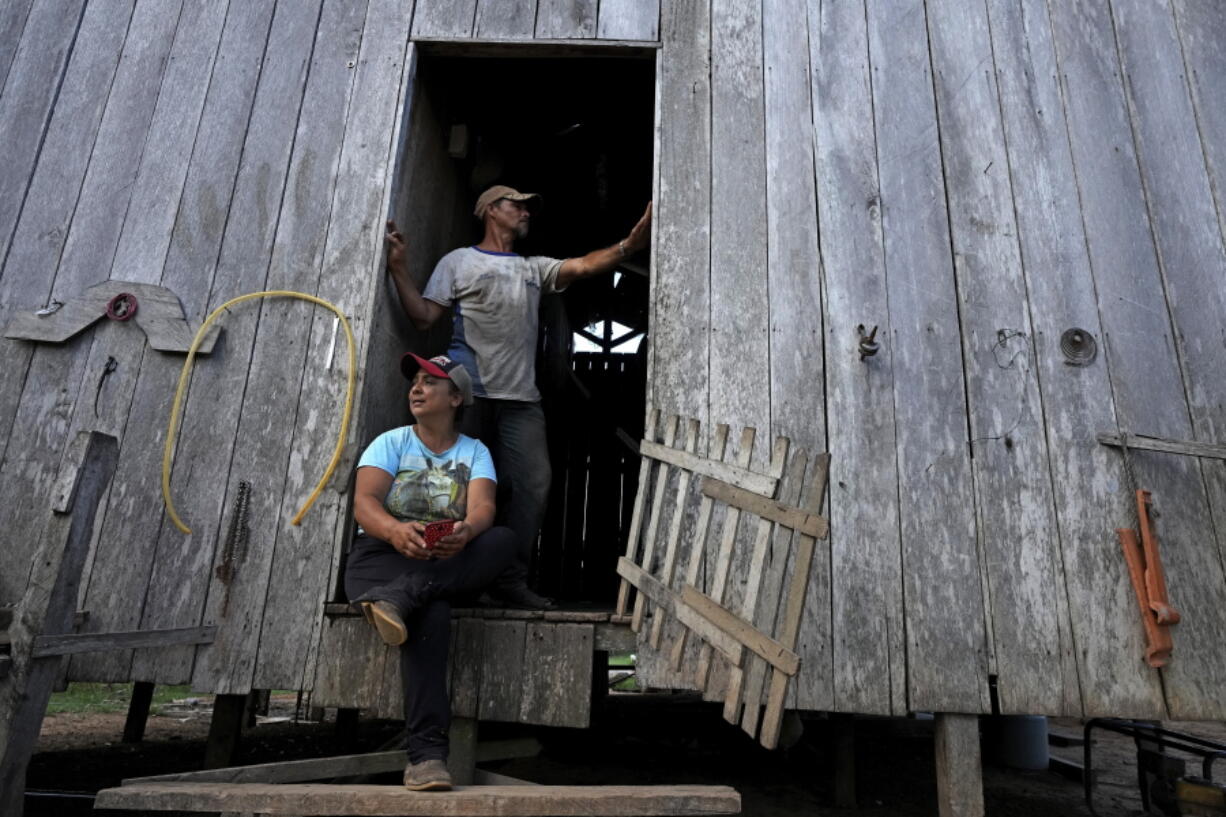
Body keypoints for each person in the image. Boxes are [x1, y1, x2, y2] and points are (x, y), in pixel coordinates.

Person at [384, 186, 652, 609]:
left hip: (521, 400)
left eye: (528, 207)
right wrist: (399, 267)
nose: (526, 212)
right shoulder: (458, 262)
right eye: (518, 205)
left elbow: (583, 267)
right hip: (465, 397)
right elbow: (423, 316)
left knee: (532, 484)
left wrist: (629, 246)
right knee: (451, 489)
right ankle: (442, 580)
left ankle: (507, 579)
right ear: (491, 210)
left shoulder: (532, 269)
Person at [345, 352, 517, 791]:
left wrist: (466, 529)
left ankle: (401, 598)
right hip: (381, 558)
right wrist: (393, 530)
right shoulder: (392, 441)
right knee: (433, 611)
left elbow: (484, 507)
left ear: (456, 397)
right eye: (415, 382)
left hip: (441, 559)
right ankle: (426, 759)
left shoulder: (473, 451)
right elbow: (365, 504)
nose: (416, 389)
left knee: (500, 540)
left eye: (430, 382)